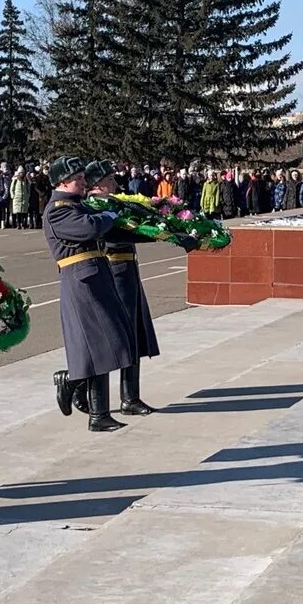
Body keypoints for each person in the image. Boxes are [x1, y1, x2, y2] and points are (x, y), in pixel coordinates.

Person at [80, 159, 188, 417]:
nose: (114, 184)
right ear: (97, 184)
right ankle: (80, 386)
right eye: (109, 180)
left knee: (134, 333)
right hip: (112, 271)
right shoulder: (94, 206)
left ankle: (130, 397)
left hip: (127, 271)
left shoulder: (114, 203)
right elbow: (122, 233)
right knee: (116, 337)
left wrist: (166, 218)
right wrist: (163, 234)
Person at [44, 156, 136, 432]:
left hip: (96, 275)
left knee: (108, 343)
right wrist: (107, 215)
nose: (84, 181)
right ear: (62, 182)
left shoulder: (77, 205)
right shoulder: (58, 209)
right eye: (78, 178)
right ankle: (80, 392)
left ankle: (91, 403)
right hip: (82, 281)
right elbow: (88, 228)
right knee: (104, 344)